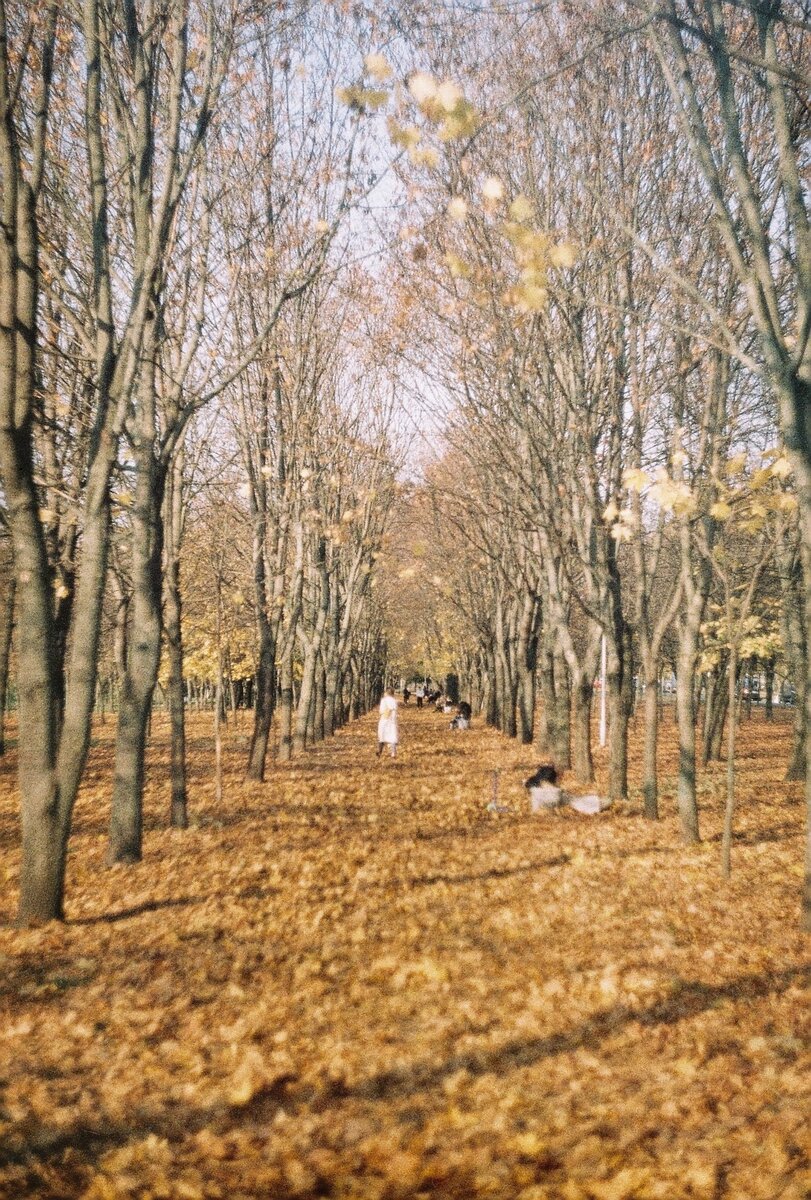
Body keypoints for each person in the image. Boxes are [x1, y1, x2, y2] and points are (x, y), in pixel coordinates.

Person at [524, 762, 612, 814]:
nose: (559, 781)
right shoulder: (546, 793)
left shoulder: (535, 790)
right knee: (608, 801)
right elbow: (555, 799)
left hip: (579, 801)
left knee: (606, 800)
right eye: (557, 779)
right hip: (582, 805)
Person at [376, 686, 399, 758]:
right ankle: (393, 753)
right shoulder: (394, 701)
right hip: (392, 721)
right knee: (392, 736)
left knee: (382, 736)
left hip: (384, 720)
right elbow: (395, 711)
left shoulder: (384, 700)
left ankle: (379, 752)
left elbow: (381, 711)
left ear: (386, 692)